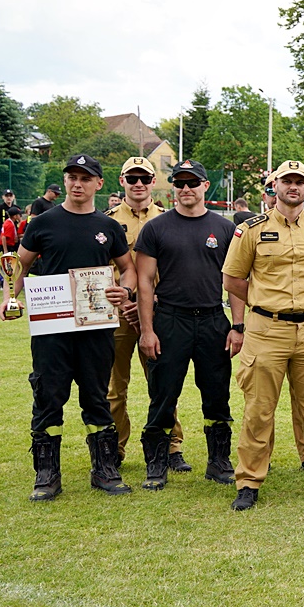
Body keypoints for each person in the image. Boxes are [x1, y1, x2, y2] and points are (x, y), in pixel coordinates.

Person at [220, 159, 304, 510]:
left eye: (300, 182)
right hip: (266, 330)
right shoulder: (251, 229)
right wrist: (265, 301)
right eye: (286, 181)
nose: (293, 187)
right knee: (259, 411)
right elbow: (233, 279)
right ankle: (248, 482)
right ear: (274, 185)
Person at [4, 154, 136, 500]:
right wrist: (10, 297)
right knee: (49, 395)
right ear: (64, 181)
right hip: (52, 329)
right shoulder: (43, 222)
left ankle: (105, 470)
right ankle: (47, 475)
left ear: (99, 184)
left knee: (96, 394)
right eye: (71, 177)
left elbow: (128, 267)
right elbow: (21, 264)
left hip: (96, 328)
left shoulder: (108, 227)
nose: (77, 184)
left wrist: (126, 290)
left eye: (84, 178)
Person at [133, 160, 241, 490]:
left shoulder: (224, 229)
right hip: (170, 320)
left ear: (206, 186)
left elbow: (236, 280)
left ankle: (219, 461)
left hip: (212, 321)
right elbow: (145, 282)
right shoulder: (156, 228)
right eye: (179, 183)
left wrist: (237, 326)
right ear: (172, 189)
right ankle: (157, 462)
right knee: (163, 395)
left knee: (216, 395)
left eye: (192, 182)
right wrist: (147, 330)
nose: (185, 189)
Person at [106, 157, 186, 471]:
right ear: (122, 180)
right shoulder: (108, 221)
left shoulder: (169, 220)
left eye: (144, 178)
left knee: (164, 383)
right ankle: (114, 448)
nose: (138, 184)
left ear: (154, 182)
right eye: (132, 178)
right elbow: (101, 268)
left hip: (156, 313)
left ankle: (171, 446)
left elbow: (172, 271)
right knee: (114, 387)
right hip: (117, 313)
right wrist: (125, 301)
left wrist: (147, 307)